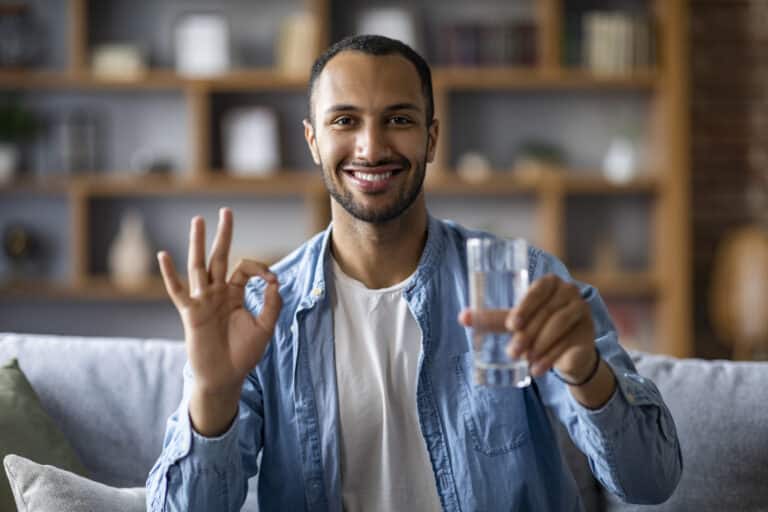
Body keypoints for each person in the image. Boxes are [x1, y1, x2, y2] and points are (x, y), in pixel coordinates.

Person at [146, 35, 682, 511]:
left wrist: (585, 372)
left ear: (431, 138)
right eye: (345, 121)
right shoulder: (262, 312)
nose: (372, 147)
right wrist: (213, 393)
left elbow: (651, 481)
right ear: (312, 141)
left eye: (399, 120)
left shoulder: (520, 282)